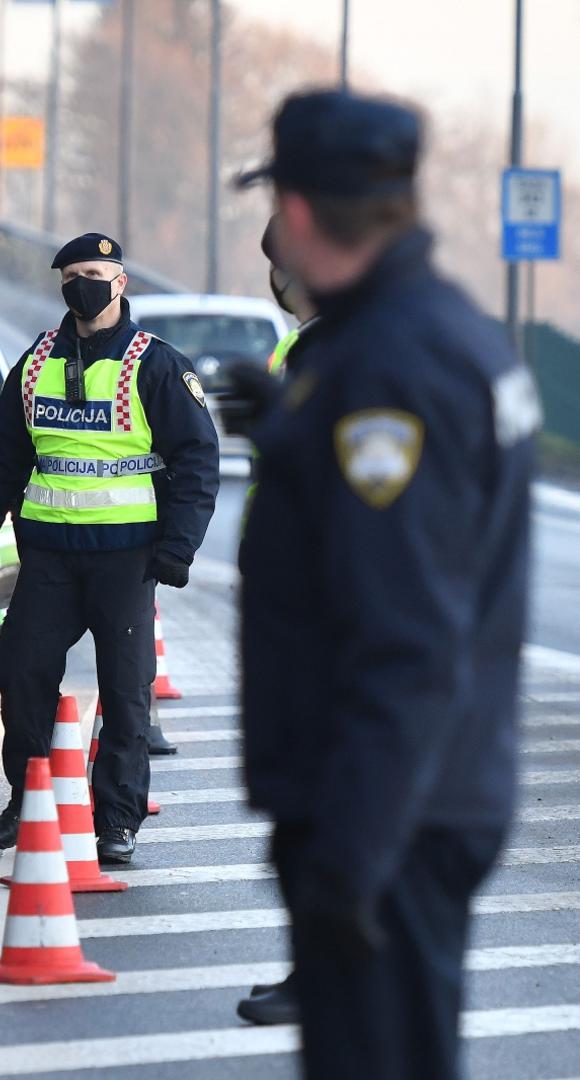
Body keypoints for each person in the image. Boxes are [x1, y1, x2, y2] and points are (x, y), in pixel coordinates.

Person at [232, 89, 535, 1080]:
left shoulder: (388, 371)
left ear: (304, 215)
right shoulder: (439, 335)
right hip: (417, 799)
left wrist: (350, 862)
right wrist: (290, 431)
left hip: (389, 818)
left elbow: (408, 643)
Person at [0, 232, 220, 864]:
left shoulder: (155, 365)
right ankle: (30, 799)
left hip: (127, 560)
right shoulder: (35, 362)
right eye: (72, 274)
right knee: (19, 675)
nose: (82, 284)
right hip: (48, 559)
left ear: (120, 282)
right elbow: (2, 463)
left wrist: (178, 549)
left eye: (94, 272)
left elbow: (198, 461)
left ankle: (117, 821)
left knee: (126, 691)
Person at [233, 214, 317, 1029]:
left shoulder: (339, 350)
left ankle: (323, 978)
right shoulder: (306, 345)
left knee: (324, 822)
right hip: (300, 611)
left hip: (326, 628)